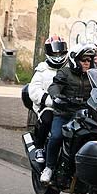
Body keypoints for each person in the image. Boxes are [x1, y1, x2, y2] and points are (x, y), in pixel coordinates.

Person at [41, 42, 97, 185]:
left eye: (89, 60)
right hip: (64, 113)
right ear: (75, 60)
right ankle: (49, 167)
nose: (87, 63)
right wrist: (56, 97)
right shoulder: (65, 72)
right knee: (57, 136)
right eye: (84, 59)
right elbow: (54, 86)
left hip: (84, 115)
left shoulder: (95, 75)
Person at [27, 35, 69, 164]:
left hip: (68, 106)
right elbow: (33, 90)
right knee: (47, 119)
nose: (57, 54)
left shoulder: (70, 69)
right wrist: (48, 99)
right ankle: (39, 147)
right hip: (47, 106)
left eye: (60, 51)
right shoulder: (42, 70)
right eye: (54, 51)